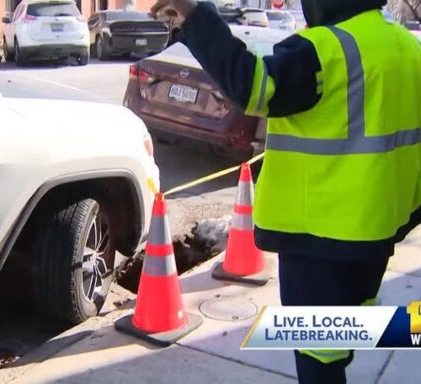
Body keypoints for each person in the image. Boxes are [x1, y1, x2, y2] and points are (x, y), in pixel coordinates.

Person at [152, 0, 421, 382]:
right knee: (340, 334)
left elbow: (253, 86)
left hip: (323, 235)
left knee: (316, 354)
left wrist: (195, 15)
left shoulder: (325, 49)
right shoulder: (404, 44)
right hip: (378, 226)